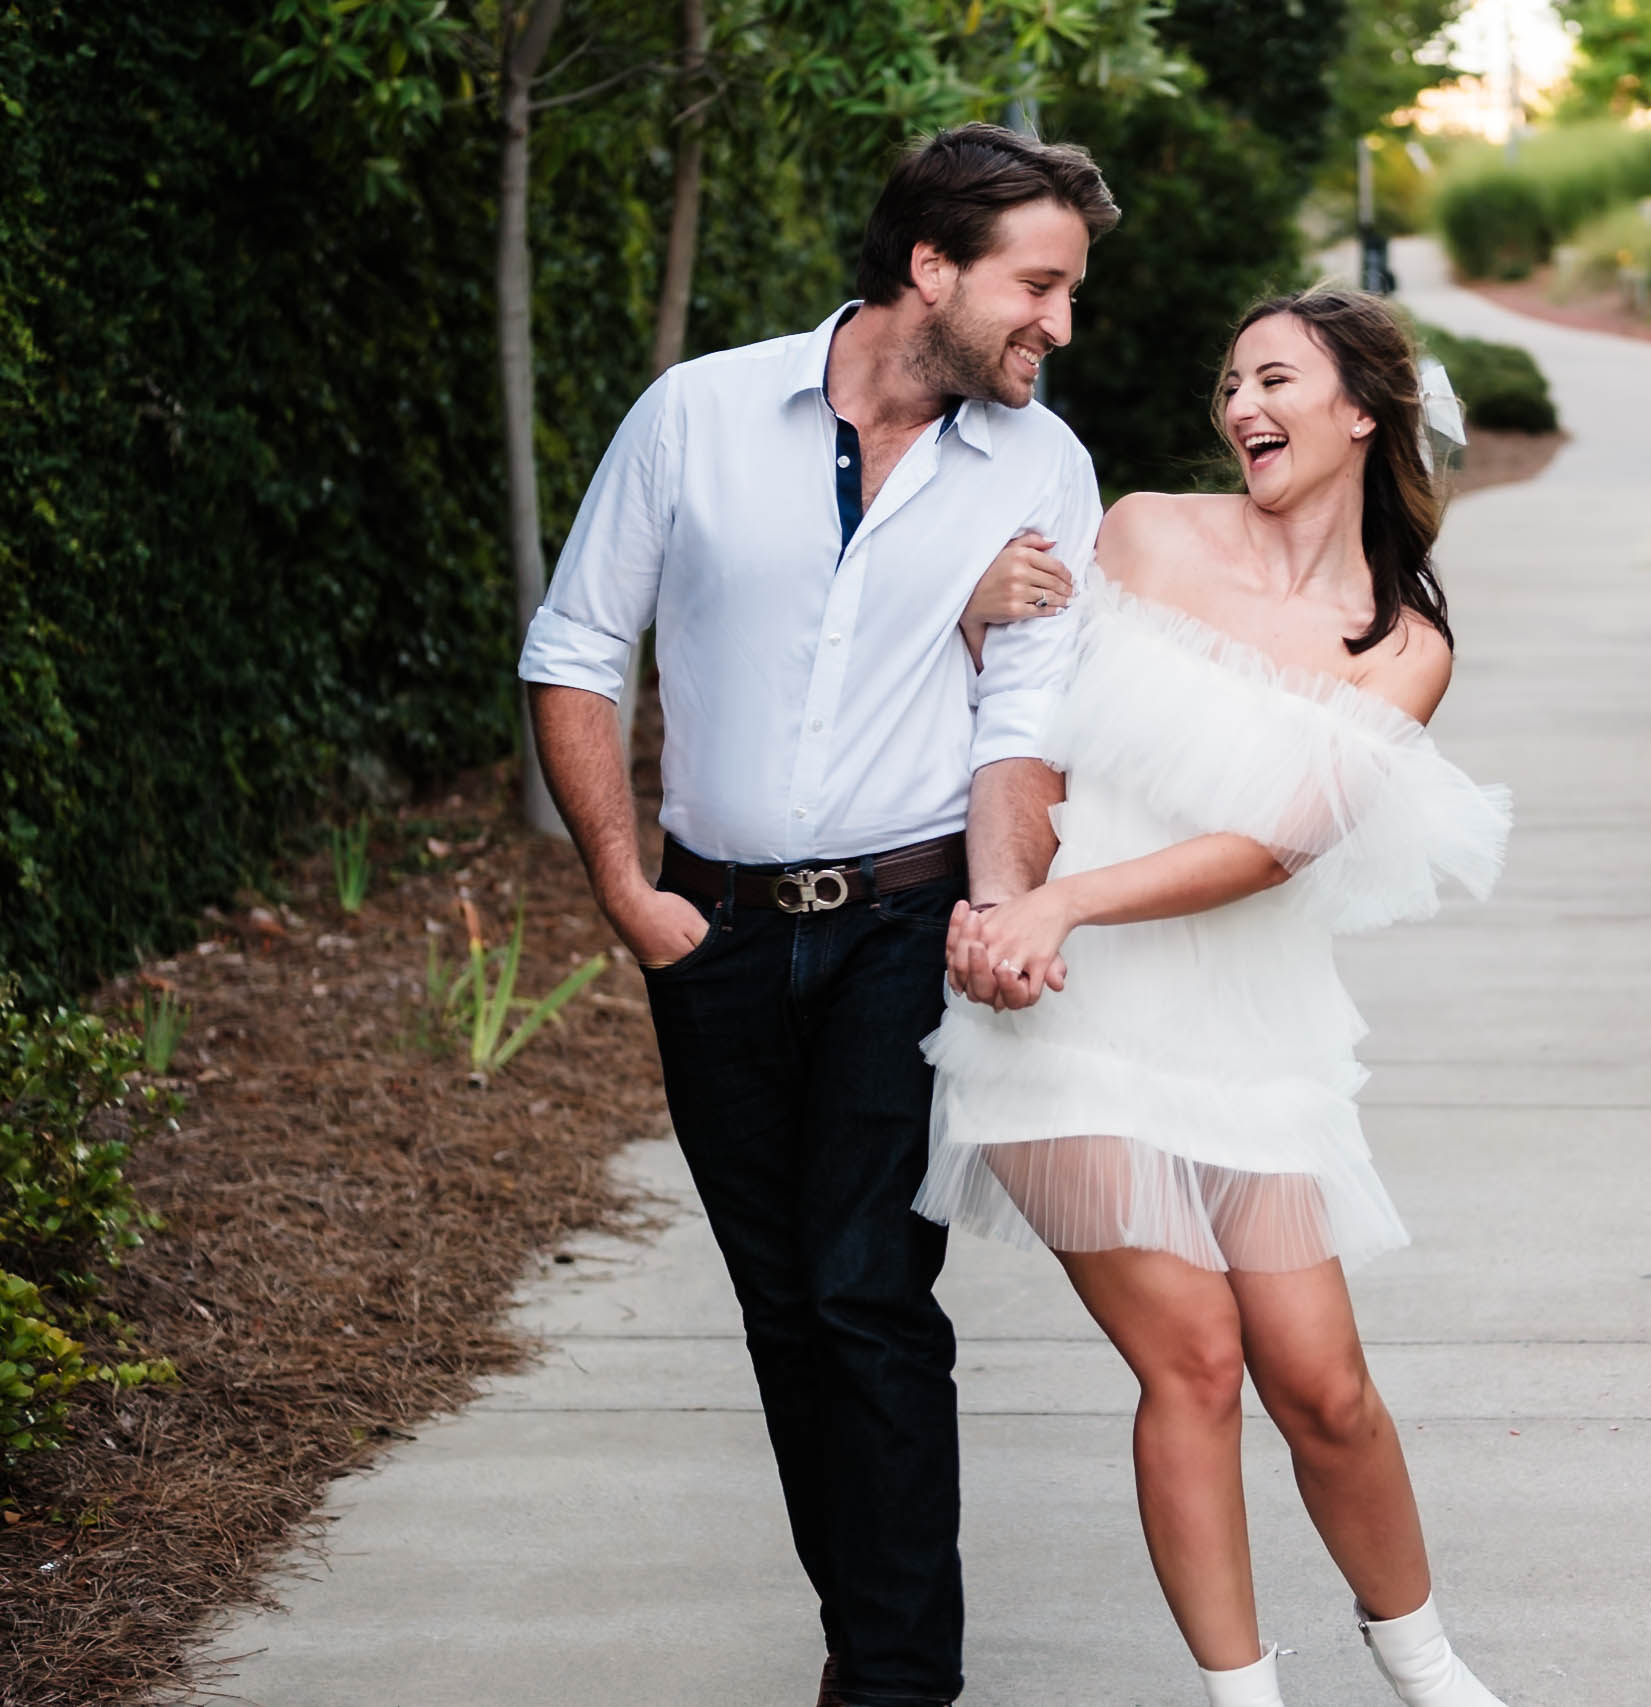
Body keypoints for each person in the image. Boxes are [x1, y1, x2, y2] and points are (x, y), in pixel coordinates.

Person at [517, 124, 1116, 1707]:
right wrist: (625, 889)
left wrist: (1001, 911)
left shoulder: (1041, 463)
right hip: (709, 933)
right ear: (932, 267)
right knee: (786, 1308)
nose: (1059, 325)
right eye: (1037, 287)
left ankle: (897, 1680)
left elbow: (1023, 721)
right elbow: (579, 645)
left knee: (865, 1291)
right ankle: (871, 1633)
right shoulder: (699, 414)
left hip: (905, 926)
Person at [915, 289, 1514, 1707]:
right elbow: (1019, 723)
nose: (1242, 405)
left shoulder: (1404, 646)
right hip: (1063, 1014)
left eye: (1276, 379)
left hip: (1252, 1027)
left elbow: (1274, 846)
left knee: (1324, 1384)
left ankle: (1428, 1671)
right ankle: (1245, 1699)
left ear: (1361, 411)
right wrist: (972, 628)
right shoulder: (1138, 533)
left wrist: (1065, 900)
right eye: (1232, 381)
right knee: (1193, 1360)